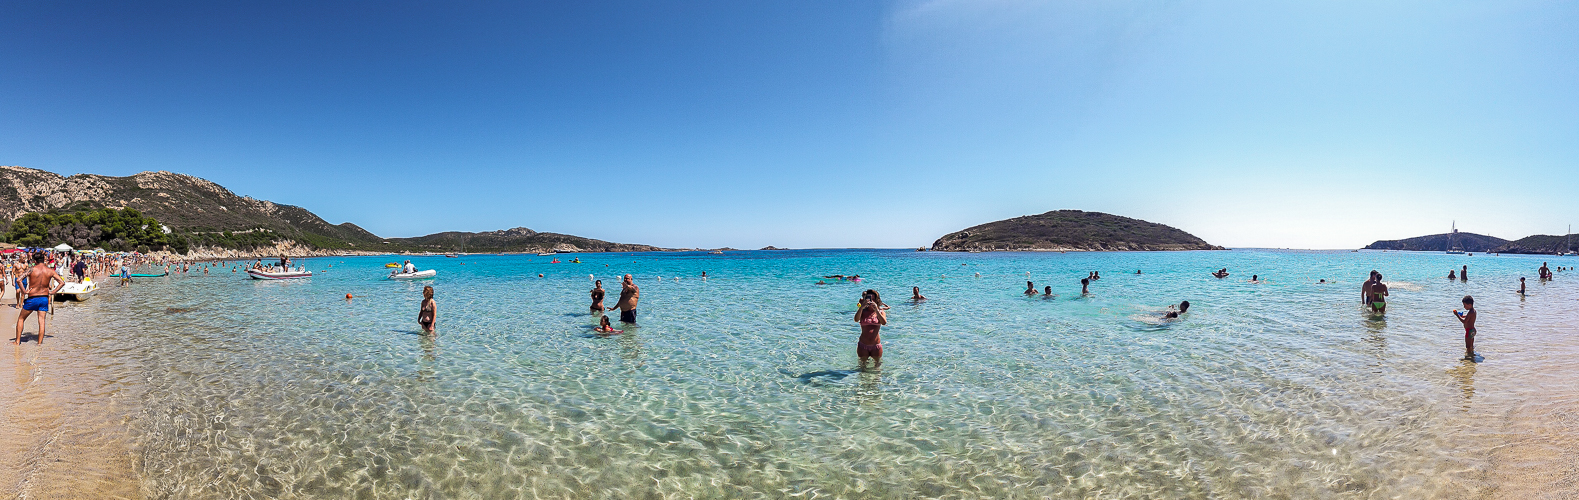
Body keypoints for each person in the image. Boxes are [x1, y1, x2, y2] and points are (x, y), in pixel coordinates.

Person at [15, 253, 65, 345]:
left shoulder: (31, 269)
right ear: (44, 260)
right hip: (44, 298)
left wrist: (24, 291)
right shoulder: (50, 271)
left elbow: (19, 280)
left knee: (21, 319)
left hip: (32, 298)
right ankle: (39, 343)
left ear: (34, 261)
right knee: (41, 322)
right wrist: (53, 291)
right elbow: (62, 282)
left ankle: (17, 342)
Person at [854, 297, 886, 369]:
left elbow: (884, 322)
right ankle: (863, 380)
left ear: (876, 300)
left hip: (876, 345)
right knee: (862, 367)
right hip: (863, 344)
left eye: (873, 299)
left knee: (877, 368)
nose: (870, 301)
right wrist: (861, 307)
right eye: (868, 299)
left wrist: (876, 310)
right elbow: (856, 319)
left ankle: (876, 380)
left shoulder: (880, 312)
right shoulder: (862, 312)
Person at [1453, 296, 1476, 360]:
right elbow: (1468, 317)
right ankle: (1472, 354)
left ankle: (1468, 358)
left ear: (1469, 305)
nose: (1464, 307)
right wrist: (1462, 316)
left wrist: (1457, 315)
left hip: (1469, 331)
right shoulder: (1473, 311)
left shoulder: (1470, 312)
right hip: (1473, 330)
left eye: (1465, 305)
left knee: (1468, 347)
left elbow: (1464, 321)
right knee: (1471, 345)